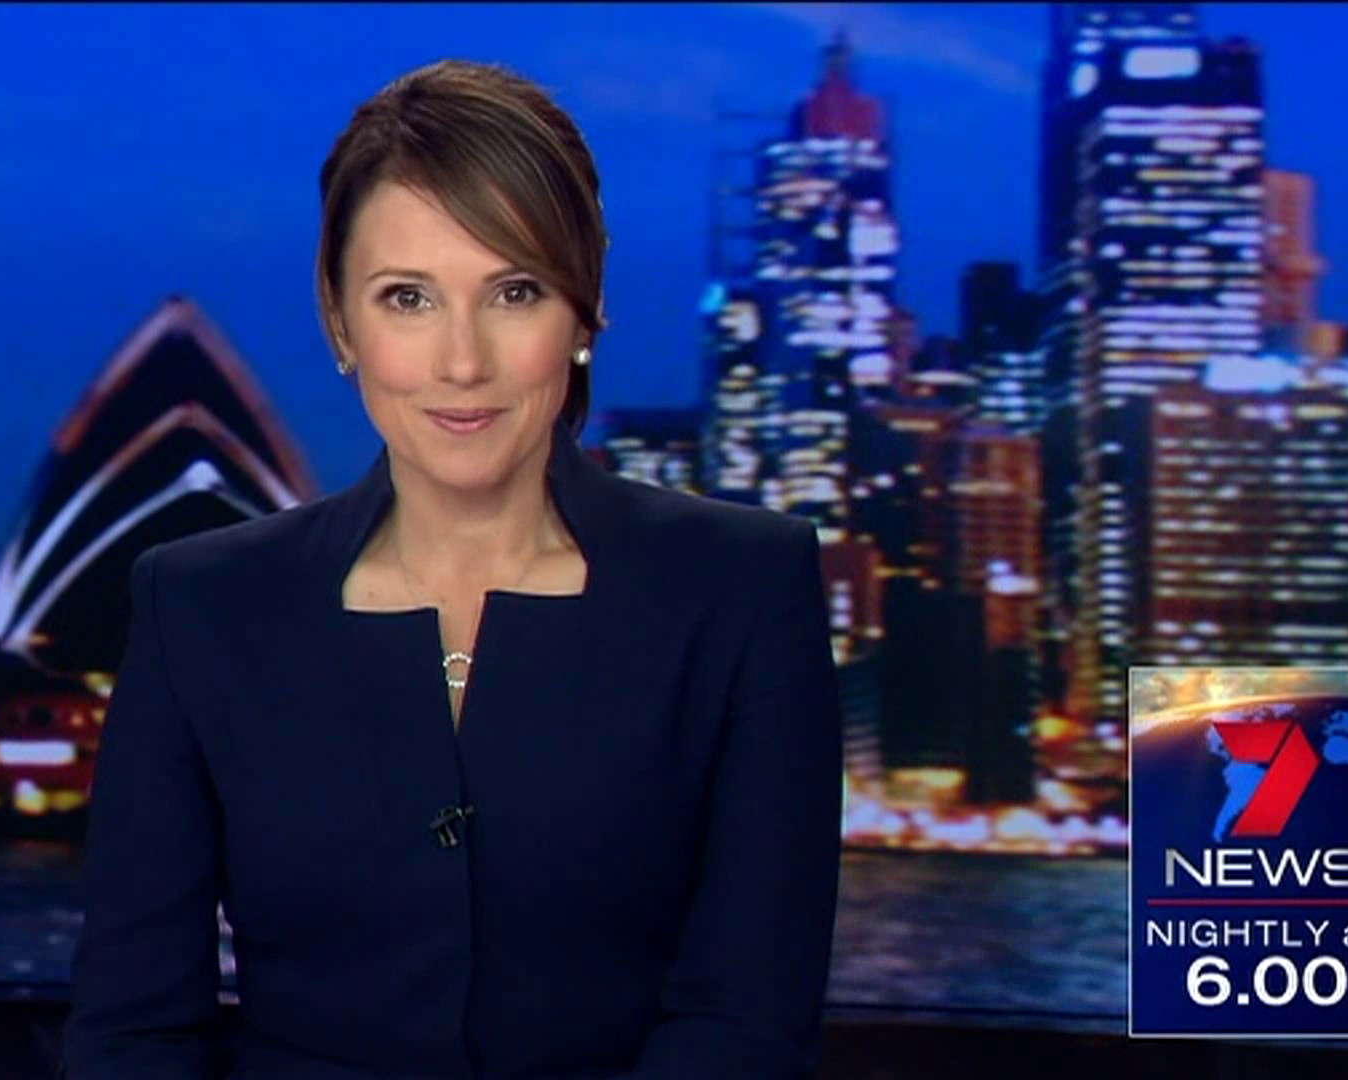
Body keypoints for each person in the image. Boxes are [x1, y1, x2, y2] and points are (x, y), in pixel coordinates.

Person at [61, 59, 844, 1079]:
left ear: (583, 311)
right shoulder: (200, 605)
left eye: (514, 292)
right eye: (407, 298)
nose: (462, 362)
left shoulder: (743, 590)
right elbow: (133, 1033)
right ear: (340, 321)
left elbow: (747, 1021)